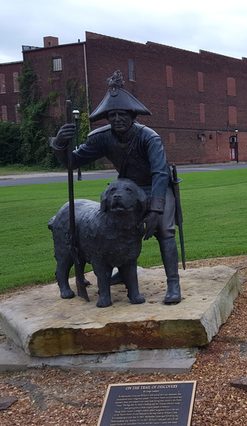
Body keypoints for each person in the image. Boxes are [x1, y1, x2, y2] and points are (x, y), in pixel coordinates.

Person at [50, 70, 182, 304]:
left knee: (164, 230)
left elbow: (160, 173)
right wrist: (60, 143)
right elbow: (72, 162)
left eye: (122, 114)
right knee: (112, 228)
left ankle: (173, 283)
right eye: (112, 115)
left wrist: (155, 209)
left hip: (156, 188)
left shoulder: (149, 138)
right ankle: (121, 270)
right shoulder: (102, 137)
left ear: (132, 115)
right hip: (127, 192)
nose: (117, 119)